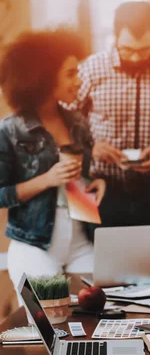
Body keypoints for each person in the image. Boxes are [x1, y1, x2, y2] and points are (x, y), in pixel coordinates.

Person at [0, 29, 106, 289]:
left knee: (97, 317)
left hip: (83, 245)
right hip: (34, 246)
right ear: (45, 77)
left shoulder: (78, 124)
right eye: (70, 73)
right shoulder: (10, 130)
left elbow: (82, 177)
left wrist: (96, 183)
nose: (79, 81)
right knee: (50, 322)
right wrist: (47, 179)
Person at [74, 1, 150, 229]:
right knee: (96, 260)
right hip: (97, 184)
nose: (134, 58)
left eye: (143, 50)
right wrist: (90, 149)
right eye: (127, 49)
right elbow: (61, 118)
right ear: (115, 36)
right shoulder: (90, 70)